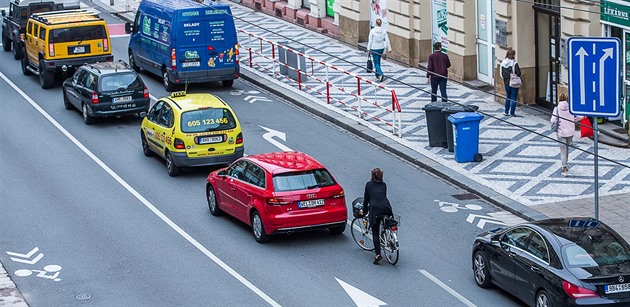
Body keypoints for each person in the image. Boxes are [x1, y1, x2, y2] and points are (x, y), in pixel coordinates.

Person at [360, 168, 393, 264]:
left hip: (375, 210)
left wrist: (365, 211)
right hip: (386, 208)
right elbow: (381, 196)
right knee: (385, 223)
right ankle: (389, 238)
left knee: (375, 232)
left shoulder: (368, 185)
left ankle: (378, 254)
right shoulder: (384, 185)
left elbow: (366, 200)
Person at [551, 93, 583, 176]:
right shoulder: (571, 108)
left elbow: (553, 120)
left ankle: (564, 167)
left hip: (561, 132)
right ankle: (565, 165)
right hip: (570, 132)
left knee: (563, 150)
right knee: (567, 148)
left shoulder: (557, 109)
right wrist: (574, 120)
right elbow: (581, 116)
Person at [366, 18, 392, 82]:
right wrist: (389, 48)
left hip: (374, 48)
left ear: (376, 23)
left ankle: (380, 74)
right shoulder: (383, 31)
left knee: (376, 63)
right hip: (381, 48)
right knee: (378, 61)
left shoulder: (372, 31)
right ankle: (377, 75)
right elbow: (387, 40)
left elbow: (370, 41)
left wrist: (368, 49)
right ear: (381, 24)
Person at [501, 49, 521, 116]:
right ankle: (512, 112)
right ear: (513, 55)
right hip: (514, 82)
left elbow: (501, 73)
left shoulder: (503, 62)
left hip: (506, 82)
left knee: (508, 96)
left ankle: (506, 111)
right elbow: (518, 73)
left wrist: (505, 79)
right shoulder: (514, 63)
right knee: (513, 97)